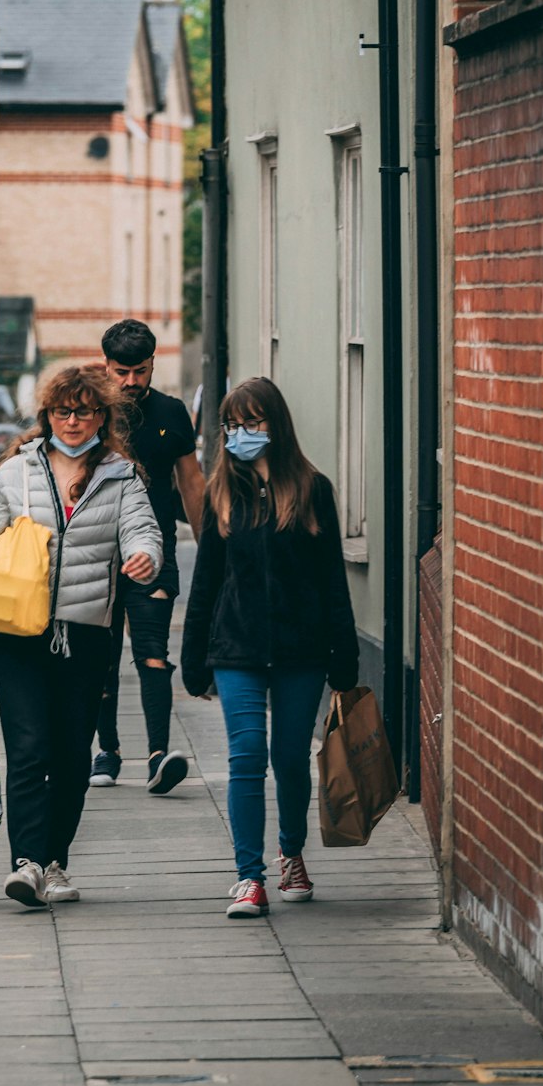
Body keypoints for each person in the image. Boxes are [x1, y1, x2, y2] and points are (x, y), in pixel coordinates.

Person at [0, 364, 162, 909]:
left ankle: (55, 862)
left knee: (72, 751)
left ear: (103, 415)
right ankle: (26, 863)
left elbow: (143, 528)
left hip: (88, 631)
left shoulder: (121, 474)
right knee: (28, 748)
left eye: (85, 410)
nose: (73, 421)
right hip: (16, 630)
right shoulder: (16, 473)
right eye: (62, 411)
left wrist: (146, 556)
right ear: (47, 414)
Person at [181, 376, 359, 919]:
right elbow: (207, 579)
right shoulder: (222, 494)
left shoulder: (312, 490)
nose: (240, 434)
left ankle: (291, 852)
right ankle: (248, 877)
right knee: (247, 759)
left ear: (274, 425)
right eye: (232, 425)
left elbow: (332, 579)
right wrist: (194, 658)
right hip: (237, 649)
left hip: (301, 652)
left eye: (251, 423)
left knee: (288, 759)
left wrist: (343, 656)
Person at [90, 319, 206, 795]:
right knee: (100, 655)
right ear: (106, 367)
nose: (132, 381)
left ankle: (158, 755)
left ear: (154, 364)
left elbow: (192, 483)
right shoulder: (89, 413)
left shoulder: (172, 412)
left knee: (153, 653)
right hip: (96, 553)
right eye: (122, 372)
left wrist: (209, 552)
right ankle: (108, 750)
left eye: (140, 371)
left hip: (155, 550)